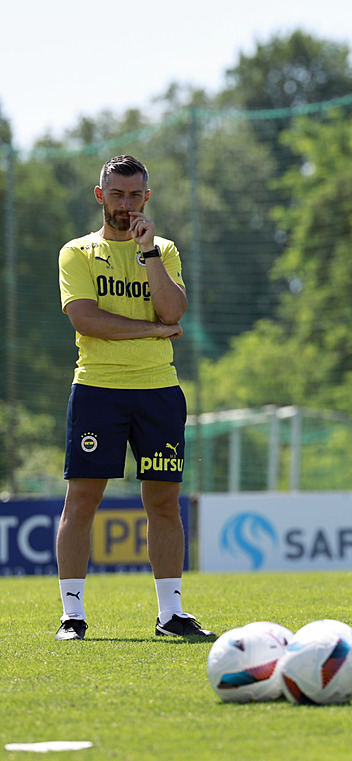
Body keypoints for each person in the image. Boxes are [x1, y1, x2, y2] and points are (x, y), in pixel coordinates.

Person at [55, 155, 215, 641]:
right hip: (97, 390)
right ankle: (73, 616)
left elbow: (174, 308)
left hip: (158, 391)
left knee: (164, 501)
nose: (126, 205)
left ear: (147, 198)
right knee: (82, 500)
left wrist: (147, 254)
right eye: (117, 195)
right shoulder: (77, 253)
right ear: (100, 195)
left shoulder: (162, 250)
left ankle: (171, 615)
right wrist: (154, 330)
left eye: (135, 195)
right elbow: (86, 319)